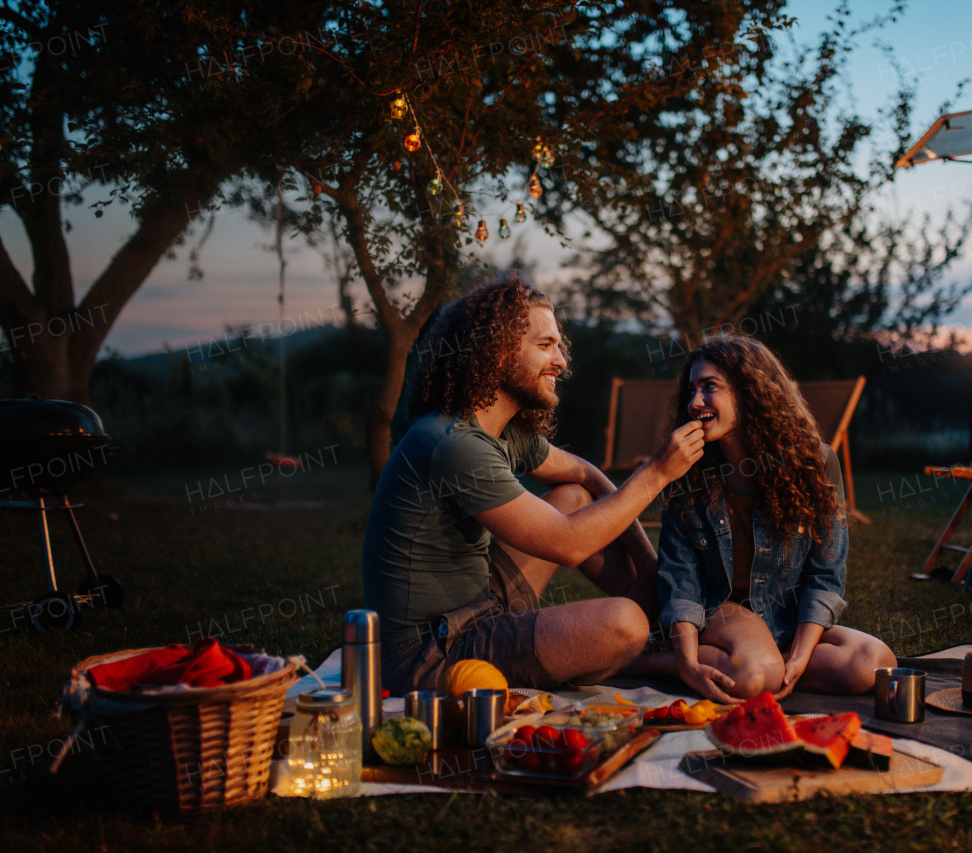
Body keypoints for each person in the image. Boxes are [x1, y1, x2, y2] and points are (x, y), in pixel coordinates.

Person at [362, 271, 705, 696]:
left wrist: (650, 572)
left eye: (559, 346)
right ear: (496, 352)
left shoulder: (500, 429)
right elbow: (568, 544)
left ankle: (661, 623)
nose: (561, 361)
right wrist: (657, 472)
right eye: (545, 346)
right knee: (624, 623)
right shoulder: (452, 444)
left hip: (477, 607)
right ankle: (647, 650)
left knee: (575, 498)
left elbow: (587, 476)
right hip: (427, 653)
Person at [649, 335, 895, 702]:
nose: (694, 402)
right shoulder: (687, 468)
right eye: (692, 391)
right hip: (720, 611)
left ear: (749, 391)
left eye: (709, 387)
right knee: (754, 677)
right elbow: (681, 580)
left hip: (782, 617)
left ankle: (766, 664)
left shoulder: (815, 462)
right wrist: (687, 660)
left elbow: (826, 576)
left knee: (871, 664)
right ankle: (651, 659)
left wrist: (798, 657)